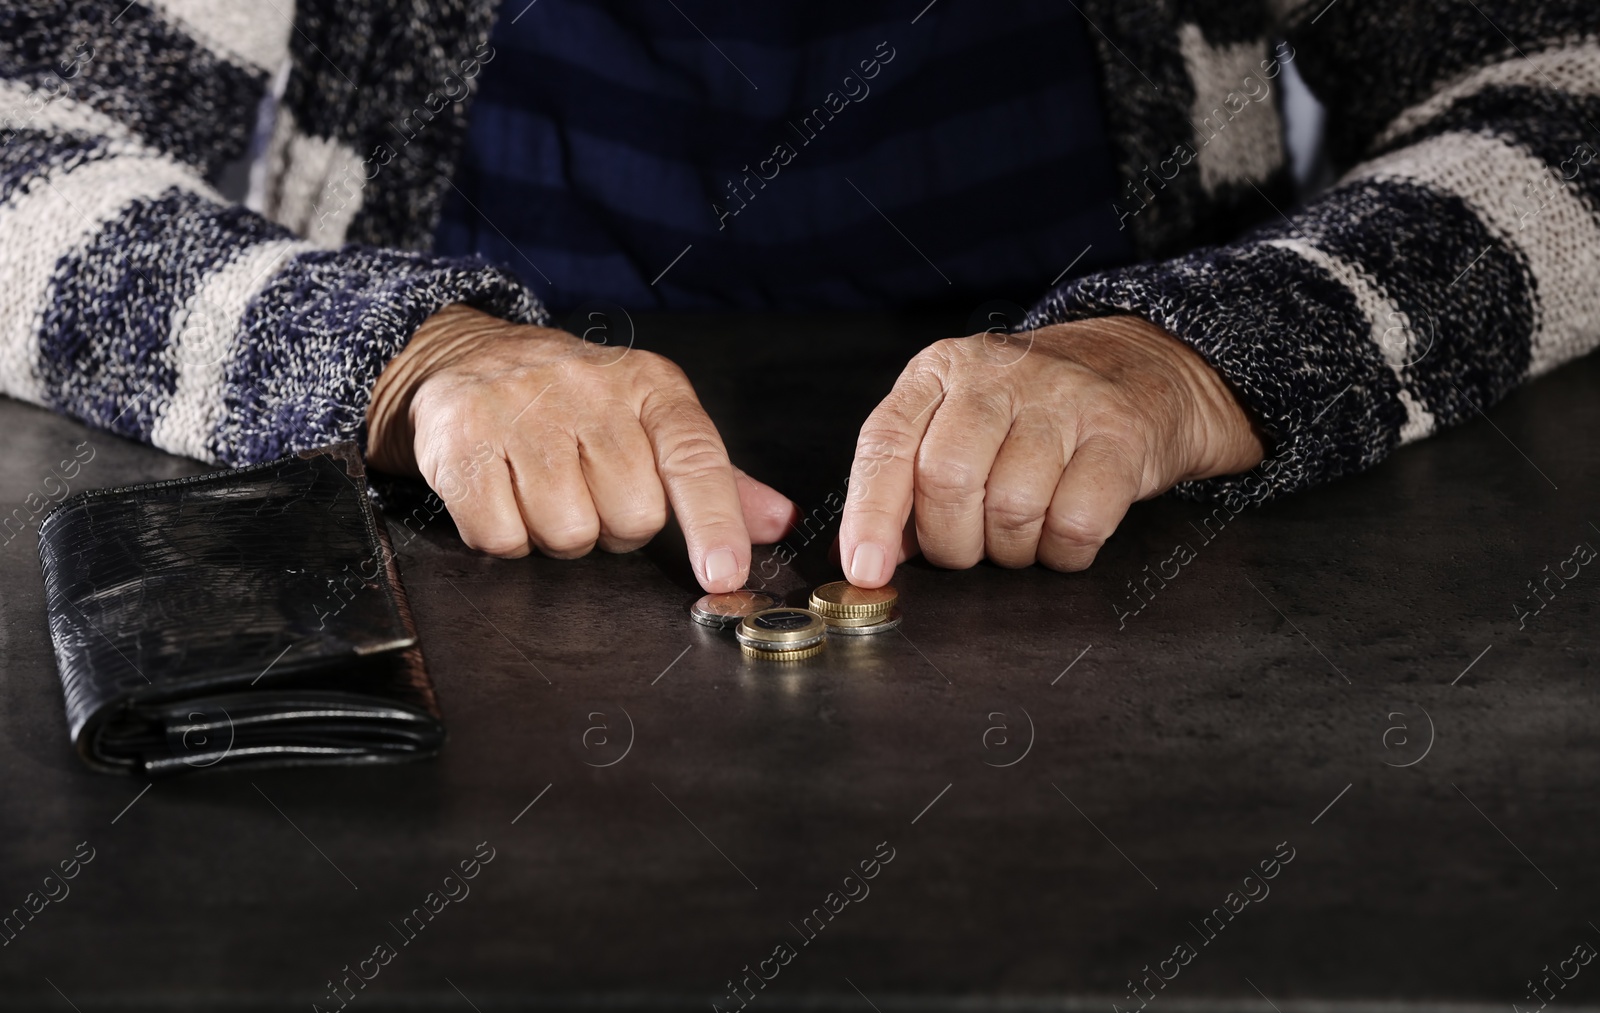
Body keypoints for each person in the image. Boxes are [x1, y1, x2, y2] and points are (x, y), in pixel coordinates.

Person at [2, 1, 1596, 595]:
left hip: (1148, 599)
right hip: (463, 627)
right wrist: (409, 354)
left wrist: (1193, 361)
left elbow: (1567, 99)